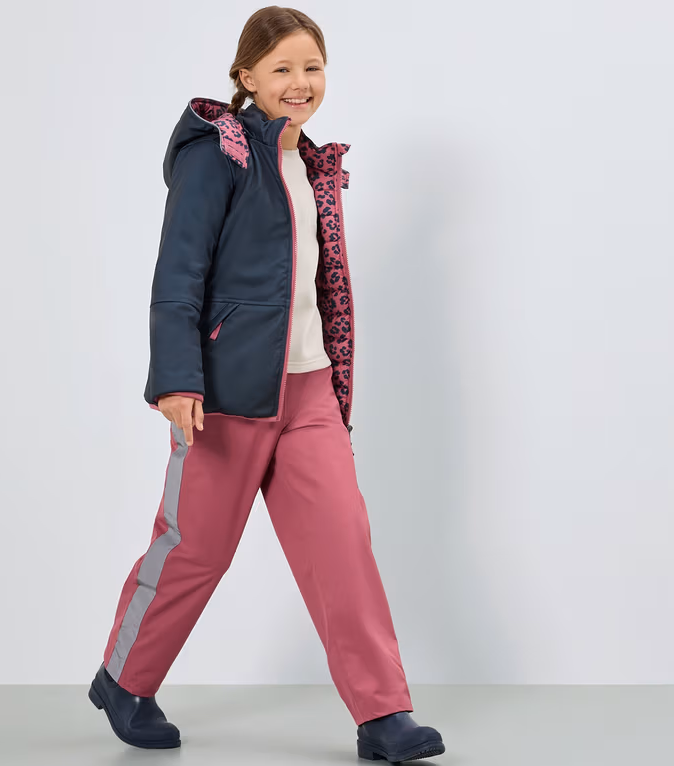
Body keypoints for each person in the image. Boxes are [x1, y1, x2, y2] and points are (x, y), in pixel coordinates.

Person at [87, 6, 446, 762]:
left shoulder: (310, 163)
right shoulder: (215, 155)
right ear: (246, 75)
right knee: (196, 550)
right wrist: (177, 378)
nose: (299, 82)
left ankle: (383, 715)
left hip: (309, 393)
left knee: (343, 544)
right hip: (225, 395)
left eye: (312, 67)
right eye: (282, 68)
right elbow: (178, 272)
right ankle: (124, 679)